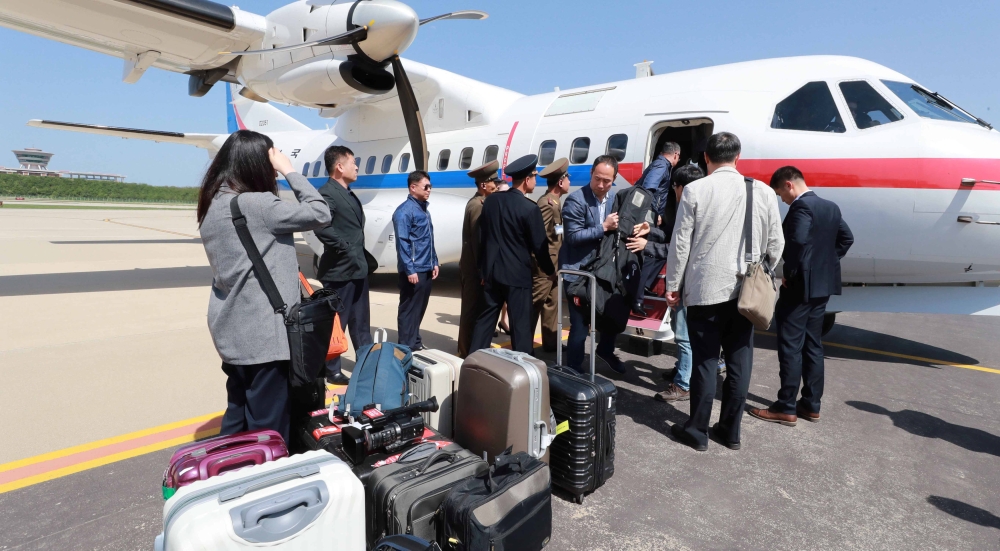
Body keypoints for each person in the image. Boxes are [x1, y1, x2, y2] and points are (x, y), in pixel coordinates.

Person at [198, 130, 331, 444]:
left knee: (238, 415)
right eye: (270, 161)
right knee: (268, 430)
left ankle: (229, 474)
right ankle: (264, 484)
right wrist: (290, 170)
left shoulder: (212, 204)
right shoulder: (258, 205)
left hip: (231, 329)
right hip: (264, 335)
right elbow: (320, 212)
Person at [665, 132, 784, 451]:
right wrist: (766, 276)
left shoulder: (694, 190)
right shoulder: (762, 191)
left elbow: (680, 244)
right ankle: (730, 431)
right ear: (738, 157)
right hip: (747, 292)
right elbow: (777, 244)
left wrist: (673, 286)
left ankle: (698, 431)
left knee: (704, 361)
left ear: (706, 157)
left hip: (705, 291)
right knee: (740, 361)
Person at [749, 166, 854, 426]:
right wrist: (824, 263)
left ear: (789, 185)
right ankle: (810, 404)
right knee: (813, 345)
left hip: (799, 288)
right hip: (822, 287)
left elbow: (795, 241)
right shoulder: (831, 207)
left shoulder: (801, 208)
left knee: (790, 346)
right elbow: (846, 238)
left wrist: (791, 272)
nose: (782, 200)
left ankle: (785, 406)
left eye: (780, 194)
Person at [627, 164, 705, 400]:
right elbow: (672, 236)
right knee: (684, 332)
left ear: (681, 187)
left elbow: (681, 248)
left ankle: (682, 384)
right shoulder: (697, 205)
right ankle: (684, 369)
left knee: (683, 334)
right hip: (692, 280)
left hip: (687, 281)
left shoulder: (691, 208)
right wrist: (650, 229)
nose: (674, 191)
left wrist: (647, 245)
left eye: (675, 187)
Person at [470, 154, 555, 354]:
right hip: (517, 276)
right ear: (527, 180)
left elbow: (483, 237)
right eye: (534, 176)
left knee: (484, 322)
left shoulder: (491, 202)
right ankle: (522, 368)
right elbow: (540, 247)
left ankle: (473, 363)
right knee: (521, 327)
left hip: (492, 273)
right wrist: (550, 270)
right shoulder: (529, 209)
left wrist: (483, 270)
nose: (536, 181)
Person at [560, 155, 627, 374]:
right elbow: (572, 236)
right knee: (580, 327)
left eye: (606, 181)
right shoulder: (576, 200)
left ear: (614, 179)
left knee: (610, 315)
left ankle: (605, 351)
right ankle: (573, 368)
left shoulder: (614, 199)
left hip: (602, 272)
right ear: (591, 175)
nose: (601, 185)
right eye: (597, 179)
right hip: (577, 273)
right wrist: (603, 227)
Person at [316, 145, 372, 385]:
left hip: (357, 269)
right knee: (337, 323)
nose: (357, 166)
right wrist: (344, 247)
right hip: (340, 271)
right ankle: (332, 368)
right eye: (353, 162)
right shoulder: (328, 192)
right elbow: (320, 225)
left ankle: (367, 364)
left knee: (361, 323)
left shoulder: (347, 192)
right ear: (339, 166)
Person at [392, 170, 439, 351]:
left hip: (425, 266)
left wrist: (434, 261)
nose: (429, 190)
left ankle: (415, 342)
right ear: (413, 187)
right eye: (425, 186)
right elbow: (402, 243)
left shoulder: (423, 210)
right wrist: (409, 269)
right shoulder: (404, 212)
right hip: (414, 270)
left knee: (419, 309)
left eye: (430, 186)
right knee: (408, 310)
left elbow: (428, 239)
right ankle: (406, 347)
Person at [457, 161, 500, 357]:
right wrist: (483, 270)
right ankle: (465, 352)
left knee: (477, 309)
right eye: (493, 182)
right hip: (474, 269)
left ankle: (473, 347)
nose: (496, 185)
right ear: (483, 185)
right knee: (470, 311)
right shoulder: (478, 206)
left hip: (475, 268)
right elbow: (478, 242)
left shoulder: (481, 203)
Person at [531, 158, 570, 353]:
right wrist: (544, 266)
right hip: (545, 266)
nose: (570, 182)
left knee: (552, 304)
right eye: (568, 178)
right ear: (561, 182)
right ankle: (523, 344)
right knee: (534, 305)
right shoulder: (546, 204)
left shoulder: (555, 202)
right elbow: (539, 238)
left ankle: (551, 344)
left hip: (554, 264)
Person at [637, 141, 681, 217]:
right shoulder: (661, 165)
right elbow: (648, 189)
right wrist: (653, 213)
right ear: (676, 155)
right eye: (679, 157)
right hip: (649, 214)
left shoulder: (662, 165)